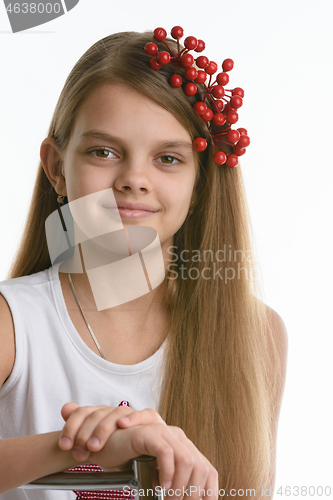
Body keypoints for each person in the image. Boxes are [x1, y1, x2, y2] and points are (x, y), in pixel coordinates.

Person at [0, 28, 288, 500]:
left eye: (168, 158)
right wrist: (77, 448)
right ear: (56, 168)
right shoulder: (13, 323)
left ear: (201, 185)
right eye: (104, 152)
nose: (134, 178)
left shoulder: (257, 336)